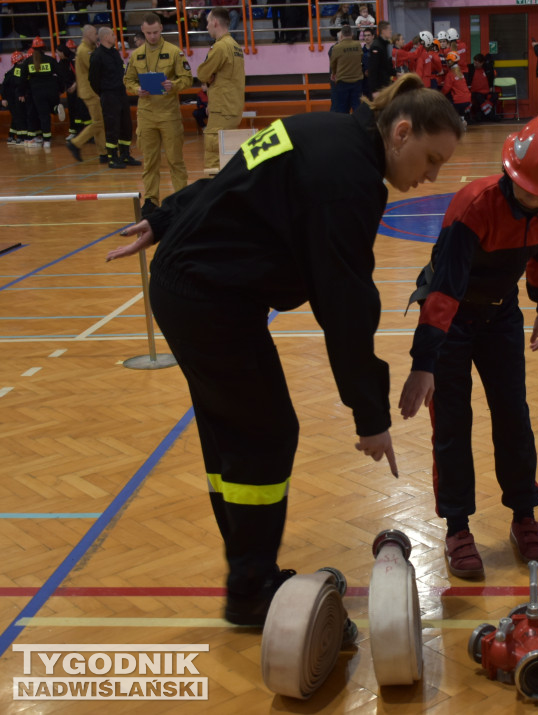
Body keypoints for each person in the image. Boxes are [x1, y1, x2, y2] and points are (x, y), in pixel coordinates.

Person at [104, 74, 464, 626]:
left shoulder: (323, 130)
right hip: (209, 299)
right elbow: (344, 304)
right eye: (431, 159)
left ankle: (248, 570)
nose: (432, 176)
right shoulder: (350, 179)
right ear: (401, 131)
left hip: (190, 287)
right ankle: (251, 590)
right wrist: (370, 415)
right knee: (266, 434)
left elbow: (232, 180)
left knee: (231, 432)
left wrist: (166, 216)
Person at [398, 111, 538, 580]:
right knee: (453, 423)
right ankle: (457, 527)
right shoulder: (473, 206)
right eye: (529, 189)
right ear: (511, 170)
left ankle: (524, 515)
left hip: (502, 315)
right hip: (453, 319)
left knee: (513, 416)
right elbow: (442, 291)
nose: (537, 201)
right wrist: (425, 363)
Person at [124, 13, 193, 214]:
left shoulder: (174, 53)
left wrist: (174, 85)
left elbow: (187, 79)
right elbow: (128, 81)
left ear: (161, 28)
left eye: (155, 32)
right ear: (143, 32)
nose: (152, 36)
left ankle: (181, 199)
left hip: (169, 114)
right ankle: (151, 200)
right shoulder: (136, 55)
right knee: (150, 162)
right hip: (146, 115)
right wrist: (136, 89)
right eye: (148, 33)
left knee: (175, 160)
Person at [197, 7, 246, 172]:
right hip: (233, 107)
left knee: (214, 156)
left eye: (208, 22)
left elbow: (202, 73)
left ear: (215, 22)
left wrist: (209, 77)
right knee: (228, 156)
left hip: (222, 109)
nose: (206, 27)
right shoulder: (235, 46)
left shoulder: (220, 47)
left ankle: (214, 195)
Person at [89, 26, 137, 169]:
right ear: (104, 37)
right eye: (111, 34)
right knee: (112, 126)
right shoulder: (97, 55)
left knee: (126, 125)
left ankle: (125, 154)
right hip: (109, 95)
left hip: (121, 93)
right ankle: (112, 157)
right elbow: (93, 80)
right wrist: (104, 92)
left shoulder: (114, 53)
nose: (114, 36)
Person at [21, 37, 64, 148]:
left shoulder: (28, 62)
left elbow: (22, 79)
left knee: (44, 115)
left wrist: (22, 93)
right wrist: (60, 89)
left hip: (37, 93)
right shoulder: (51, 60)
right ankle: (55, 109)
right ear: (44, 48)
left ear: (33, 48)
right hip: (52, 91)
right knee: (50, 108)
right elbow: (61, 75)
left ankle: (46, 141)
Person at [330, 24, 364, 113]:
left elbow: (333, 63)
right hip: (357, 80)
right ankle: (358, 125)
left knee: (342, 108)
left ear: (341, 35)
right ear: (352, 34)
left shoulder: (337, 48)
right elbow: (361, 58)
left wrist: (334, 74)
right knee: (357, 106)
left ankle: (344, 126)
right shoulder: (358, 45)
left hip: (343, 80)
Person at [2, 52, 28, 145]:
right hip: (13, 99)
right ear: (18, 62)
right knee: (19, 117)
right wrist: (4, 99)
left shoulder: (12, 72)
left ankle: (11, 135)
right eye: (22, 61)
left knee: (16, 117)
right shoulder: (11, 73)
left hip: (14, 98)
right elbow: (4, 86)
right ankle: (20, 137)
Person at [366, 21, 395, 96]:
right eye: (389, 29)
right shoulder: (377, 46)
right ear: (383, 31)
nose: (391, 31)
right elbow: (373, 69)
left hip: (385, 84)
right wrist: (374, 90)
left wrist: (395, 73)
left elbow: (386, 65)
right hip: (379, 87)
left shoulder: (385, 45)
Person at [441, 52, 471, 118]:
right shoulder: (460, 72)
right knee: (461, 115)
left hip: (458, 100)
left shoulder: (450, 74)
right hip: (467, 99)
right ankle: (462, 122)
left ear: (451, 61)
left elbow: (446, 89)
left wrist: (440, 94)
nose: (447, 62)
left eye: (448, 61)